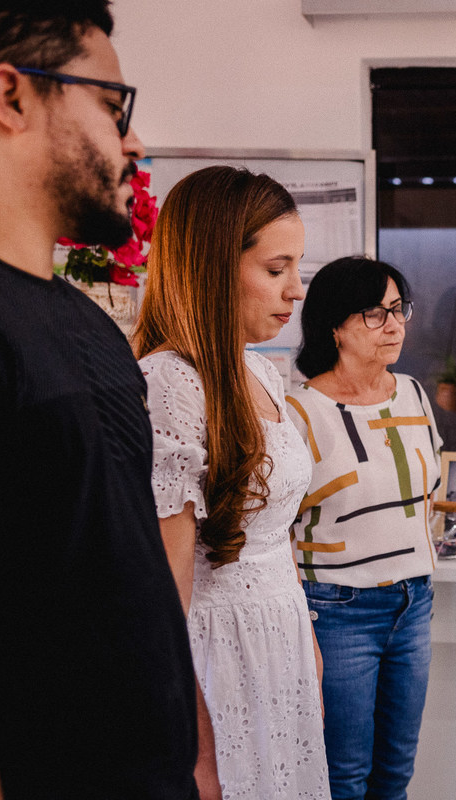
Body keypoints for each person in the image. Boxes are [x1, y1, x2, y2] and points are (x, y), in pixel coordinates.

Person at [0, 4, 200, 797]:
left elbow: (121, 574)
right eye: (112, 105)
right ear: (12, 96)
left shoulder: (79, 318)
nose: (135, 143)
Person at [134, 165, 330, 798]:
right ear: (213, 266)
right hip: (218, 656)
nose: (296, 290)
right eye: (276, 271)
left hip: (281, 642)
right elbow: (161, 599)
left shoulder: (262, 374)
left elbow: (275, 530)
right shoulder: (171, 384)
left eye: (296, 269)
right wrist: (190, 744)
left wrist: (304, 635)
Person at [287, 256, 442, 800]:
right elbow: (276, 527)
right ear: (335, 326)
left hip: (414, 602)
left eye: (399, 309)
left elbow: (428, 490)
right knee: (344, 778)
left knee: (396, 772)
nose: (395, 324)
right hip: (336, 610)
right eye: (375, 313)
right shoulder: (298, 410)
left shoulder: (415, 394)